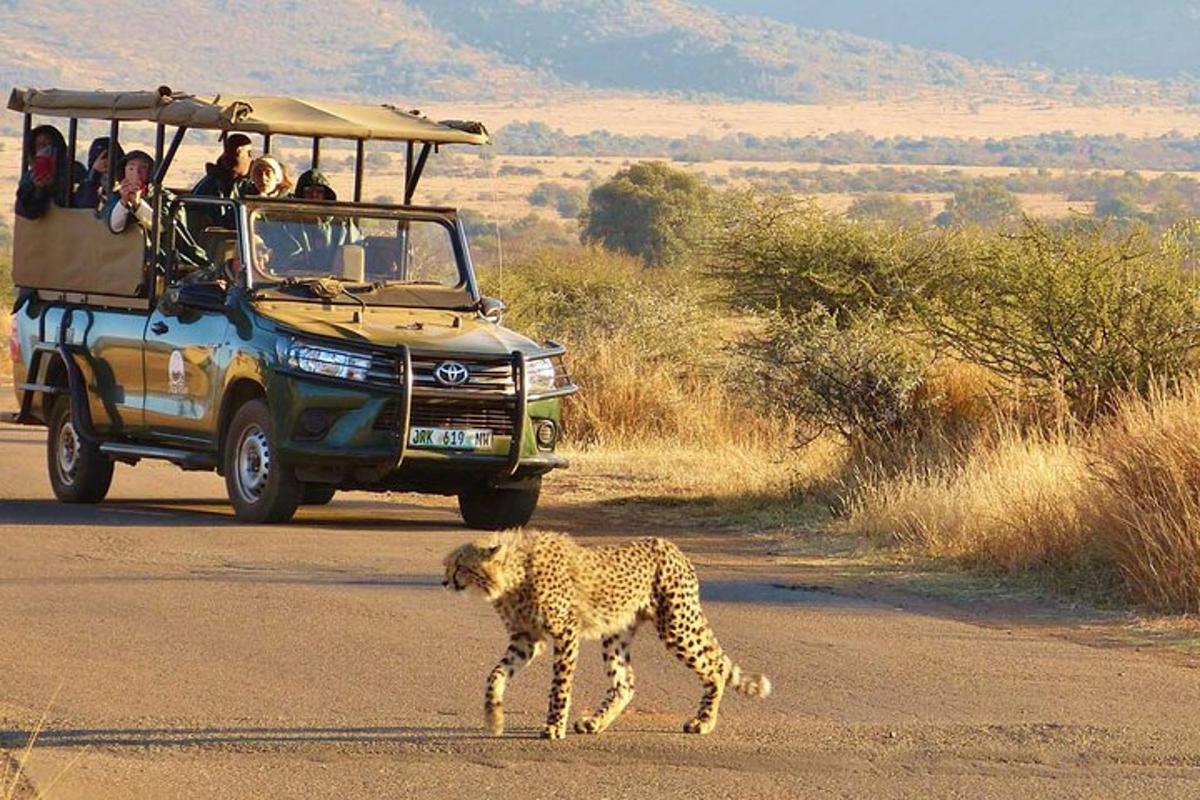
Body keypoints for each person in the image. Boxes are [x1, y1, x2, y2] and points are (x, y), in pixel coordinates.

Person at [104, 150, 209, 271]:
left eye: (143, 168)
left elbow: (161, 227)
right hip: (121, 260)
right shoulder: (116, 197)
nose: (137, 173)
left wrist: (138, 204)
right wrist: (124, 201)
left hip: (162, 260)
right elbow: (115, 226)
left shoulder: (165, 197)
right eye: (131, 168)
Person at [15, 124, 82, 219]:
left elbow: (83, 204)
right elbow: (24, 212)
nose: (47, 149)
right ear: (33, 150)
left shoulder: (74, 170)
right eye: (41, 145)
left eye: (51, 145)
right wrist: (39, 190)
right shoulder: (30, 177)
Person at [191, 133, 254, 200]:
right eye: (249, 153)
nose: (251, 158)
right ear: (238, 151)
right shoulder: (212, 186)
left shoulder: (241, 184)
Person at [73, 137, 124, 211]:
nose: (105, 168)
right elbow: (84, 210)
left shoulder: (127, 188)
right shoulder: (85, 186)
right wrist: (94, 178)